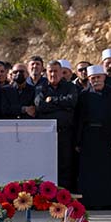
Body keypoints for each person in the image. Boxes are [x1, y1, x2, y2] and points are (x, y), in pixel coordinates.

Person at [76, 65, 111, 209]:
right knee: (89, 173)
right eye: (93, 78)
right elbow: (78, 120)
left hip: (108, 138)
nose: (96, 80)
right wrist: (77, 141)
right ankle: (89, 202)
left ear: (104, 77)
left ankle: (108, 202)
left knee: (107, 172)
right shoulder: (84, 95)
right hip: (89, 138)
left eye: (98, 77)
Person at [35, 60, 78, 189]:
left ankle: (65, 193)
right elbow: (40, 106)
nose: (53, 74)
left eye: (56, 71)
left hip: (65, 132)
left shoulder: (69, 87)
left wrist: (52, 100)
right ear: (46, 73)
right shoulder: (41, 87)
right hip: (46, 135)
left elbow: (71, 102)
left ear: (61, 72)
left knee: (65, 164)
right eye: (50, 71)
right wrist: (61, 106)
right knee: (47, 164)